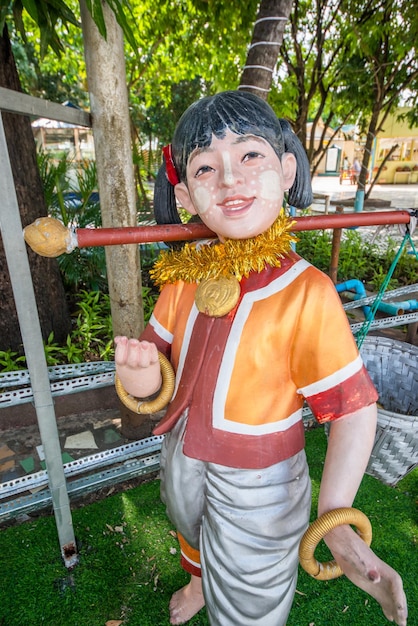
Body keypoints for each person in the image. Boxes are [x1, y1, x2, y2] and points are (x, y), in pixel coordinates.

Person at [115, 91, 407, 626]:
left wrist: (335, 512)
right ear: (184, 196)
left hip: (259, 480)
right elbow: (158, 364)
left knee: (253, 595)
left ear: (287, 166)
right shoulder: (185, 275)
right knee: (188, 520)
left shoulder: (306, 292)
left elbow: (353, 406)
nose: (230, 180)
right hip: (182, 450)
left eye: (250, 156)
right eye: (206, 167)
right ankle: (199, 579)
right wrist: (141, 377)